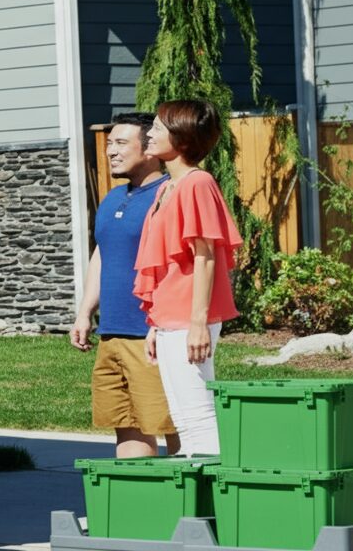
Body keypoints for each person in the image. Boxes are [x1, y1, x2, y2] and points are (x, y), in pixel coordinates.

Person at [134, 99, 242, 455]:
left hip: (189, 319)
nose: (149, 134)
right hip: (170, 320)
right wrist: (156, 324)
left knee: (197, 413)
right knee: (182, 414)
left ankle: (212, 496)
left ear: (180, 138)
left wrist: (198, 323)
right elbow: (169, 263)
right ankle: (195, 490)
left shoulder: (198, 183)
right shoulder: (167, 188)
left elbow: (206, 255)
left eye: (158, 128)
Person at [70, 113, 180, 458]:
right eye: (109, 144)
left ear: (149, 149)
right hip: (113, 333)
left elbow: (184, 265)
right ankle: (140, 507)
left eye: (120, 143)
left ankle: (196, 506)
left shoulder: (169, 194)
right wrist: (86, 311)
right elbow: (103, 253)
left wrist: (164, 326)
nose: (110, 152)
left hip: (153, 337)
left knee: (176, 425)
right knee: (128, 426)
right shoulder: (112, 199)